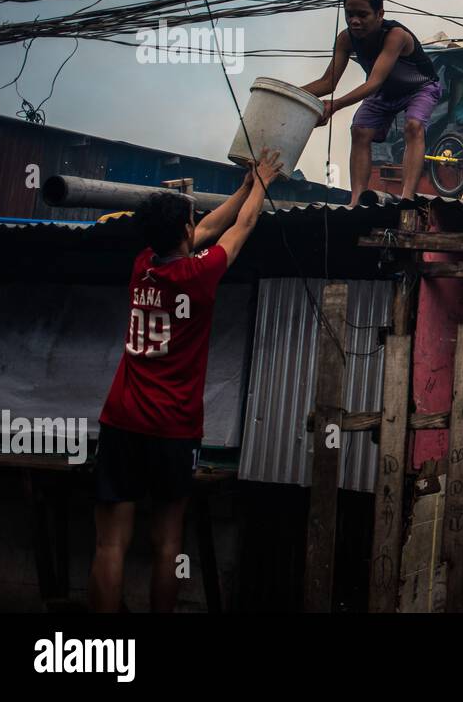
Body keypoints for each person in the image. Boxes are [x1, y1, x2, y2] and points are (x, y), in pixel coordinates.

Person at [90, 148, 283, 612]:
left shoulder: (143, 266)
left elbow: (208, 227)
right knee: (166, 545)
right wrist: (263, 184)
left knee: (110, 545)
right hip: (172, 429)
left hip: (121, 421)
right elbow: (240, 229)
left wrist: (243, 185)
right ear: (183, 232)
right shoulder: (200, 274)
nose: (197, 224)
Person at [302, 0, 442, 205]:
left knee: (414, 126)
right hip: (385, 91)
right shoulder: (346, 39)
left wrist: (335, 105)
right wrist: (289, 94)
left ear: (379, 14)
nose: (354, 21)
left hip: (419, 87)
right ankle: (356, 200)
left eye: (362, 15)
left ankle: (407, 197)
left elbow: (374, 81)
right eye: (349, 14)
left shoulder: (395, 35)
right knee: (359, 131)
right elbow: (327, 82)